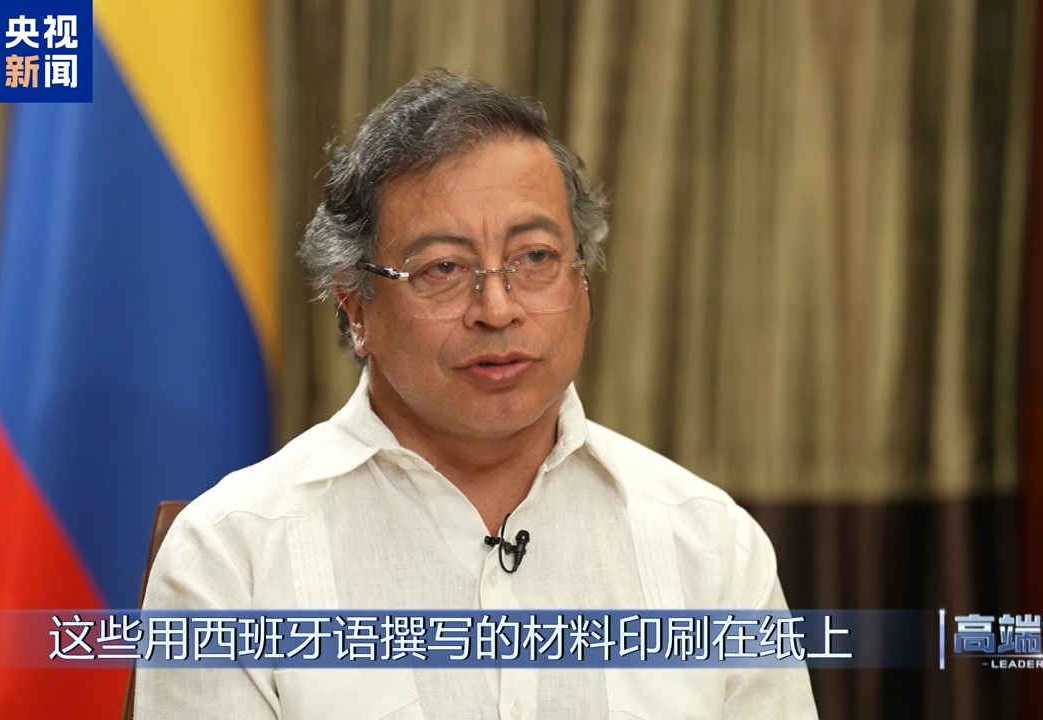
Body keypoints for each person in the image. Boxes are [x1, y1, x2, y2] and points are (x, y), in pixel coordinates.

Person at [137, 69, 818, 719]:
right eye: (443, 268)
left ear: (582, 278)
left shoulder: (710, 545)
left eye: (535, 258)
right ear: (355, 307)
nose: (497, 308)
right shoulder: (233, 558)